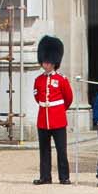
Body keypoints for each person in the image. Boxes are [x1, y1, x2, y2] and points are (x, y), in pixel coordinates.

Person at [33, 34, 72, 185]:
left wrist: (59, 110)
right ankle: (45, 177)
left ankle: (64, 177)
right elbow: (37, 97)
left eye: (48, 62)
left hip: (58, 118)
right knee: (44, 150)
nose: (46, 65)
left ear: (55, 62)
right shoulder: (39, 80)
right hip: (43, 119)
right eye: (44, 62)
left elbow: (68, 98)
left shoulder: (61, 80)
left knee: (61, 150)